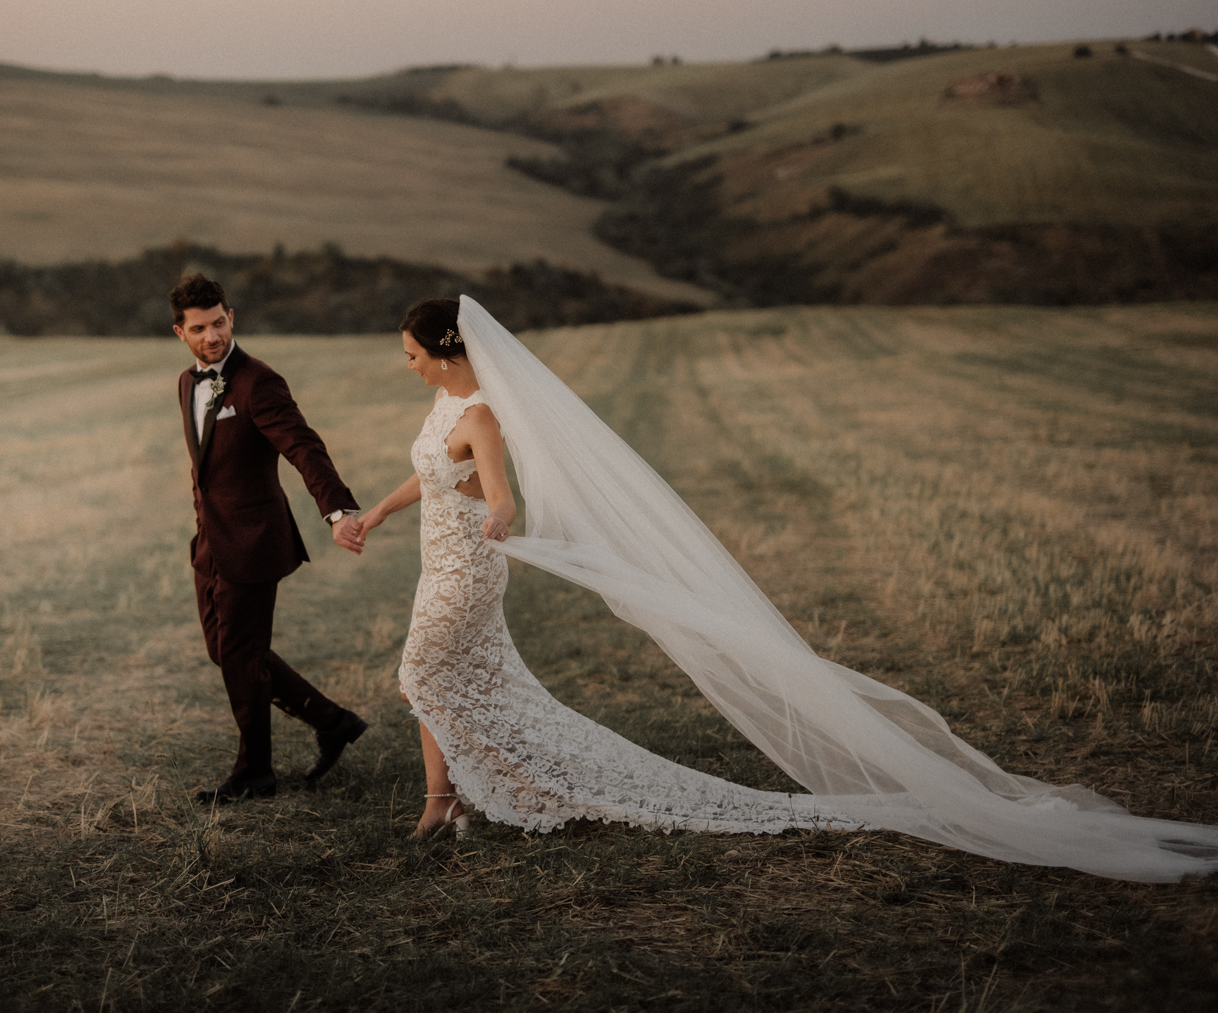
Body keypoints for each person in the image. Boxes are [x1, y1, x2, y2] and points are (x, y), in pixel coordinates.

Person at [355, 295, 1218, 881]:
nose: (406, 366)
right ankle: (450, 802)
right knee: (441, 681)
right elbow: (431, 482)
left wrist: (500, 513)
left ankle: (443, 803)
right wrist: (376, 514)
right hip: (438, 559)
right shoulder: (441, 414)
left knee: (424, 676)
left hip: (467, 571)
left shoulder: (479, 416)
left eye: (410, 355)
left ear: (445, 352)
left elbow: (497, 491)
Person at [171, 274, 369, 803]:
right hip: (210, 543)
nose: (211, 335)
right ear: (180, 333)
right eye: (199, 328)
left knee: (239, 654)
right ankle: (333, 721)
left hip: (254, 542)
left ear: (231, 317)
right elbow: (205, 471)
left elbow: (304, 447)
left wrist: (336, 511)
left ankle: (254, 772)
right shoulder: (187, 384)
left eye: (218, 323)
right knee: (227, 649)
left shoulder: (259, 381)